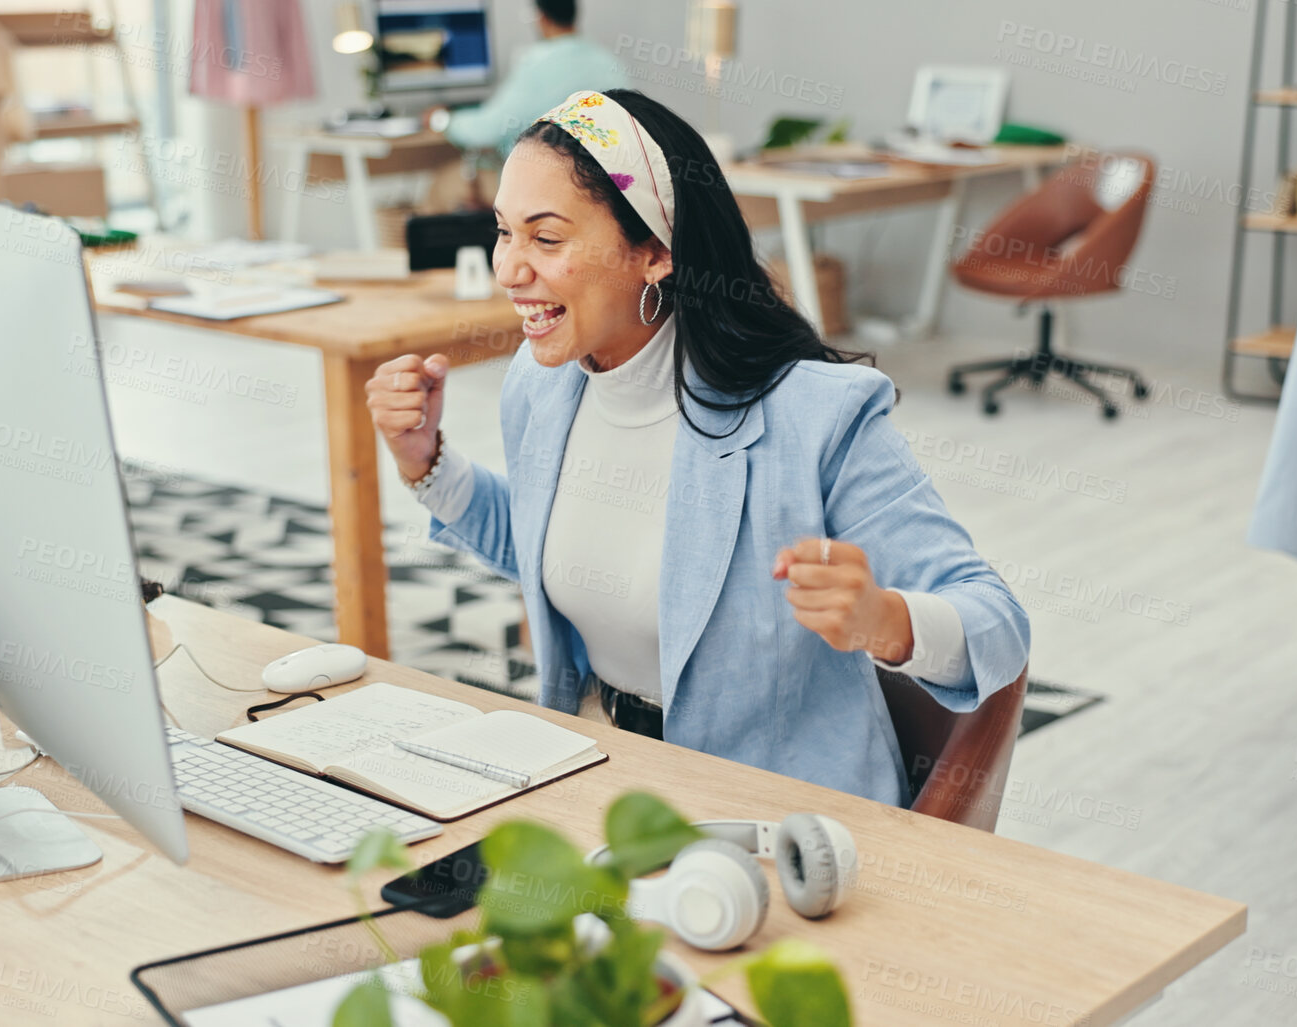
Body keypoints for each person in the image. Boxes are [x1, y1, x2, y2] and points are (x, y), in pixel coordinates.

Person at [366, 89, 1029, 806]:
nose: (508, 270)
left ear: (654, 251)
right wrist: (426, 461)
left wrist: (887, 621)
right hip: (597, 767)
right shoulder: (542, 383)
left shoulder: (816, 415)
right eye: (503, 232)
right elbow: (543, 542)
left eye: (546, 239)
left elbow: (997, 623)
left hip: (774, 811)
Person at [426, 0, 627, 156]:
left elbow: (490, 129)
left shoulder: (538, 63)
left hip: (548, 181)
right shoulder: (607, 60)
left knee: (442, 187)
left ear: (541, 18)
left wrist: (443, 121)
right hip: (602, 183)